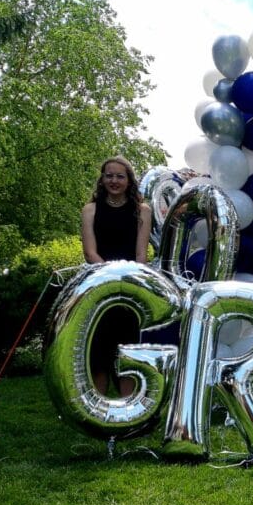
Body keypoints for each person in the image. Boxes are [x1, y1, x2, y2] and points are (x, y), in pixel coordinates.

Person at [80, 155, 152, 396]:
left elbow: (142, 255)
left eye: (120, 176)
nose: (114, 180)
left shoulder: (142, 211)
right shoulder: (90, 210)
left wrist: (128, 281)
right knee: (98, 348)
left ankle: (127, 404)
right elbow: (90, 253)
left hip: (129, 288)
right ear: (102, 180)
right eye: (109, 175)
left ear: (129, 181)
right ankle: (98, 405)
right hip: (99, 286)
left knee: (127, 348)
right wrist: (110, 277)